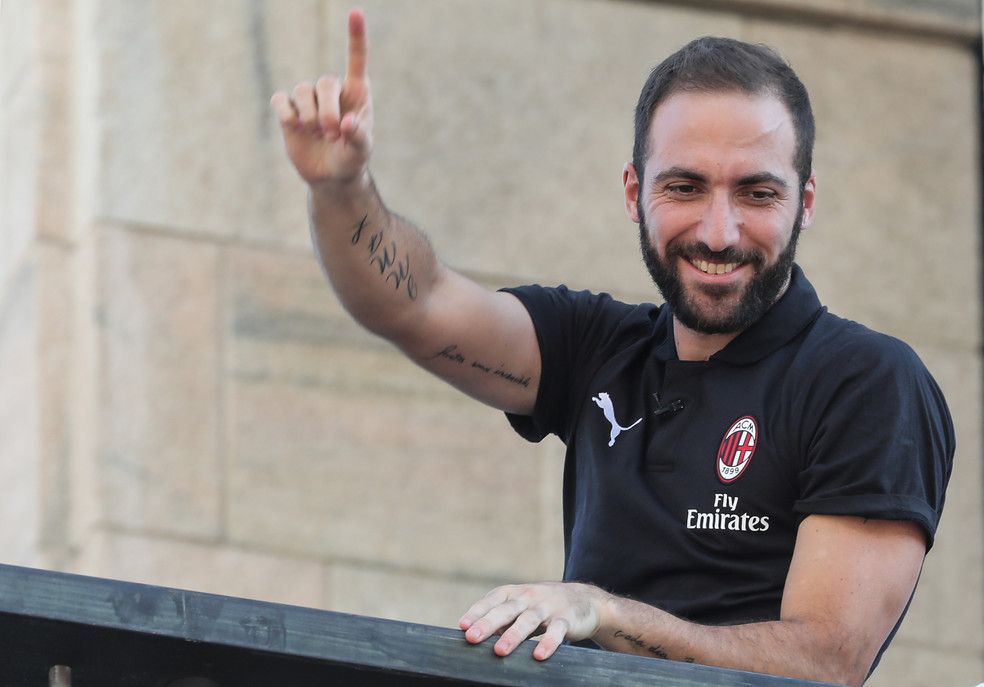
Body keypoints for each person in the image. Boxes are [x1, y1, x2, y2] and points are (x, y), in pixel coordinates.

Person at [270, 8, 953, 686]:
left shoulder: (867, 380)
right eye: (684, 187)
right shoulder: (597, 347)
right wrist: (340, 188)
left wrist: (599, 613)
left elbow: (825, 662)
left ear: (805, 203)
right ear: (634, 193)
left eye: (757, 192)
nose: (719, 231)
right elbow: (414, 303)